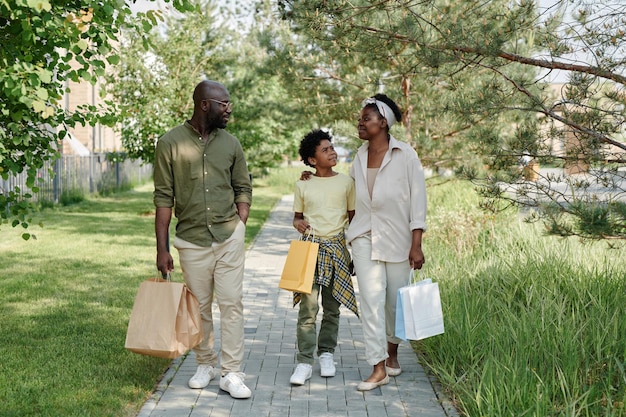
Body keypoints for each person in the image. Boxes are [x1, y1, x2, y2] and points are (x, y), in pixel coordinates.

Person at [153, 80, 253, 399]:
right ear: (205, 105)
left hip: (228, 236)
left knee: (232, 304)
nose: (229, 109)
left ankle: (232, 372)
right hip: (191, 240)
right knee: (200, 308)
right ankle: (205, 363)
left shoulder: (232, 144)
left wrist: (241, 222)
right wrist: (162, 248)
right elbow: (163, 198)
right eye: (224, 103)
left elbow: (243, 187)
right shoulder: (170, 143)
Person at [347, 94, 427, 391]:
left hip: (398, 238)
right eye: (360, 119)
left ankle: (392, 355)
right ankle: (377, 366)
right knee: (370, 300)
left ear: (383, 122)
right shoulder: (358, 155)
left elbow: (418, 200)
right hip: (364, 236)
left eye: (366, 118)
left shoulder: (406, 155)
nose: (360, 122)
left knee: (395, 303)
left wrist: (416, 243)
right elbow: (351, 194)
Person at [289, 129, 359, 386]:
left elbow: (354, 219)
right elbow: (297, 217)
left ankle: (327, 354)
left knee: (332, 307)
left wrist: (356, 251)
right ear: (312, 159)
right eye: (325, 150)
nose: (332, 152)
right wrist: (298, 223)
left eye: (332, 148)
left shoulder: (347, 183)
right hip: (309, 249)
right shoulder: (303, 184)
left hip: (337, 249)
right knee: (308, 309)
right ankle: (304, 362)